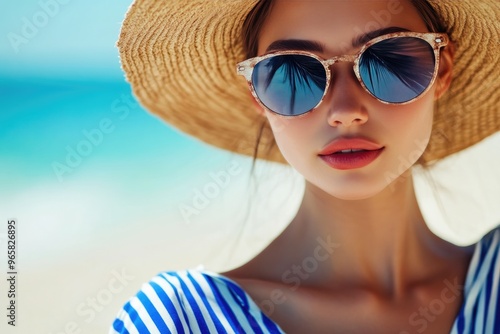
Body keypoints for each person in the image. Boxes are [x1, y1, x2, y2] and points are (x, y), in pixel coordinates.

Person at [111, 0, 499, 333]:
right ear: (257, 97)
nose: (345, 112)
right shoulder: (180, 320)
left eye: (388, 59)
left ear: (442, 70)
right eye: (293, 72)